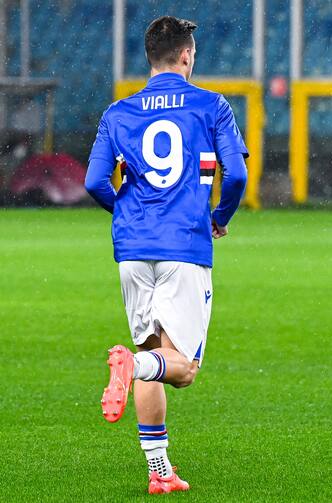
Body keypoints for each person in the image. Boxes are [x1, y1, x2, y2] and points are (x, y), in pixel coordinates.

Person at [85, 15, 248, 495]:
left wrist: (126, 215)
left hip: (133, 249)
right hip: (184, 245)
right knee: (182, 369)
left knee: (154, 352)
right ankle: (130, 369)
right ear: (186, 55)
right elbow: (235, 175)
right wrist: (220, 215)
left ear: (150, 58)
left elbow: (94, 181)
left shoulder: (118, 112)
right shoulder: (211, 106)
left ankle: (160, 472)